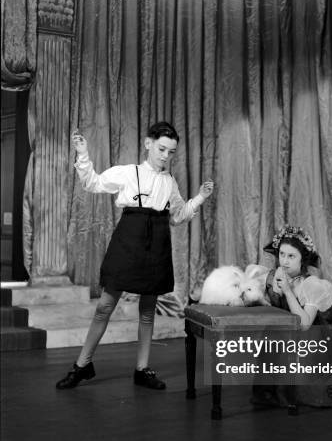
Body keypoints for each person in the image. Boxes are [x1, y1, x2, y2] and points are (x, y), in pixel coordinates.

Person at [56, 122, 214, 390]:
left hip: (158, 243)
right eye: (162, 148)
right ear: (148, 143)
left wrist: (199, 198)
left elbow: (176, 217)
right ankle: (82, 365)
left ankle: (142, 369)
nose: (165, 155)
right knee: (105, 306)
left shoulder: (170, 182)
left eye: (171, 152)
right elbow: (92, 183)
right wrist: (83, 153)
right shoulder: (128, 173)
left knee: (148, 310)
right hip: (128, 238)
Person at [252, 225, 332, 408]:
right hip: (280, 336)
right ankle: (273, 391)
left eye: (291, 256)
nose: (285, 261)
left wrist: (287, 291)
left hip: (307, 338)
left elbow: (304, 324)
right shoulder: (272, 277)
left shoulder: (310, 284)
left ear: (302, 259)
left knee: (306, 389)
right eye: (282, 255)